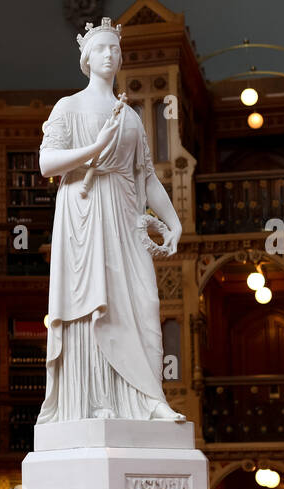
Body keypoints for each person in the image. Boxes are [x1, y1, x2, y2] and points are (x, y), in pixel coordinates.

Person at [37, 17, 185, 423]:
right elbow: (47, 164)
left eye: (115, 49)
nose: (109, 54)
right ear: (86, 57)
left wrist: (173, 222)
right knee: (91, 305)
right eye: (102, 48)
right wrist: (93, 148)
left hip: (124, 213)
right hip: (83, 214)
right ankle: (95, 400)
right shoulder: (67, 107)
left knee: (141, 301)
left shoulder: (132, 117)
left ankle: (147, 398)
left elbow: (148, 177)